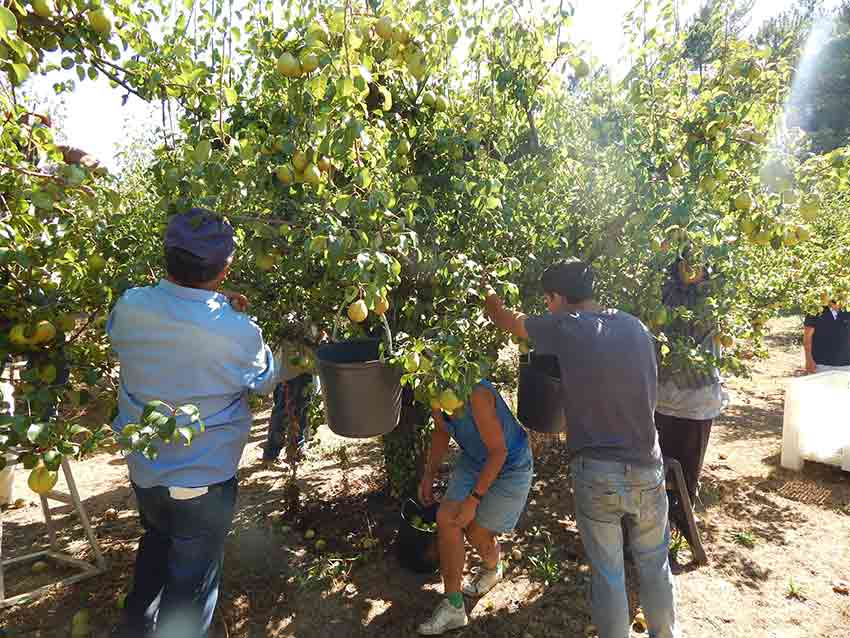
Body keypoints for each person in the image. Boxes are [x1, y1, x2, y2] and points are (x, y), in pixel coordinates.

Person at [484, 259, 678, 638]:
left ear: (557, 297)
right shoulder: (635, 326)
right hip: (646, 464)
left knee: (608, 573)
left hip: (598, 471)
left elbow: (504, 319)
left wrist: (487, 289)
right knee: (655, 564)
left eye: (548, 300)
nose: (547, 308)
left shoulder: (564, 326)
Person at [107, 209, 277, 638]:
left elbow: (148, 337)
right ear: (225, 268)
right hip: (203, 482)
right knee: (190, 588)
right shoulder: (239, 333)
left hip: (146, 471)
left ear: (167, 256)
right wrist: (234, 318)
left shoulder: (129, 306)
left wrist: (217, 307)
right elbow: (263, 380)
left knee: (156, 545)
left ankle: (136, 628)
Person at [417, 379, 533, 636]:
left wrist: (473, 500)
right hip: (474, 460)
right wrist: (428, 474)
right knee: (447, 518)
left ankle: (493, 567)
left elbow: (498, 452)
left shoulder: (476, 394)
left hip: (510, 465)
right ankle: (454, 606)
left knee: (476, 532)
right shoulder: (431, 388)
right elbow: (441, 430)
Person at [655, 259, 729, 529]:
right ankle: (659, 522)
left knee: (687, 469)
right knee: (658, 465)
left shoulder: (711, 298)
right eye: (685, 262)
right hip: (662, 398)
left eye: (697, 263)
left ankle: (682, 522)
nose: (691, 268)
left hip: (697, 400)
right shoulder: (663, 292)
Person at [261, 339, 318, 465]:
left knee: (302, 410)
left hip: (306, 368)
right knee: (282, 412)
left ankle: (297, 449)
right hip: (288, 372)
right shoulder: (289, 322)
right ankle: (271, 452)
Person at [803, 300, 850, 373]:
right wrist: (808, 359)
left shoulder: (847, 309)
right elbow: (807, 338)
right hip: (821, 365)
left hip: (847, 365)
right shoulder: (815, 310)